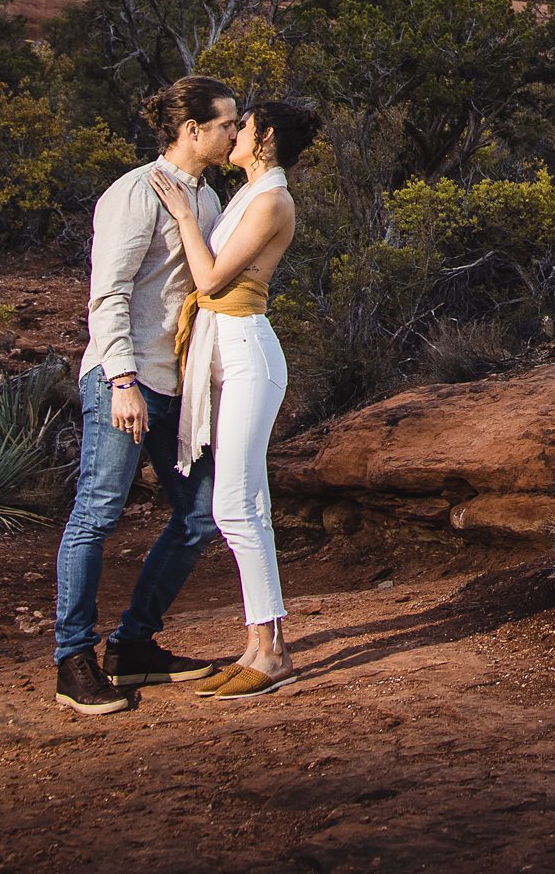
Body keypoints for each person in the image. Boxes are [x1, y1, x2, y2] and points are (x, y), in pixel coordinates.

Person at [50, 75, 238, 716]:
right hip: (124, 380)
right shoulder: (134, 193)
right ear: (194, 131)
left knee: (198, 514)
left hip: (176, 383)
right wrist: (122, 381)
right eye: (226, 125)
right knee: (97, 515)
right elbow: (108, 294)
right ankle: (72, 660)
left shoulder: (206, 200)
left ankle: (132, 648)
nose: (234, 134)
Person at [150, 98, 321, 699]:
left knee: (234, 505)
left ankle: (271, 650)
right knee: (245, 504)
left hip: (247, 354)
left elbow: (212, 280)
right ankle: (261, 644)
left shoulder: (273, 199)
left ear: (265, 136)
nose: (233, 136)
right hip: (225, 350)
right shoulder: (248, 193)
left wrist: (185, 219)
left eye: (241, 126)